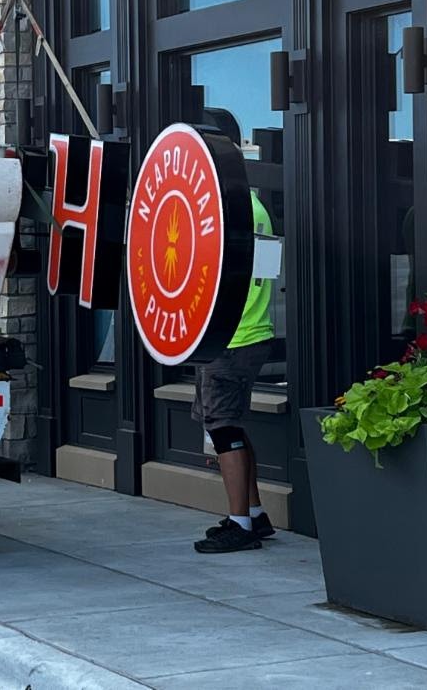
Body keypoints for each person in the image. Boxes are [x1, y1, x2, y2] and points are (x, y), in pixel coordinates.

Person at [192, 109, 276, 554]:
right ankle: (254, 514)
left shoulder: (223, 209)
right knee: (233, 427)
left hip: (229, 336)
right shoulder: (253, 204)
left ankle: (241, 524)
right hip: (248, 332)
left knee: (224, 429)